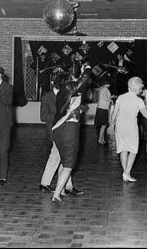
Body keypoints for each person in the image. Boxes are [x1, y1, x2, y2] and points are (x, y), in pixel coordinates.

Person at [108, 77, 147, 183]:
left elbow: (114, 113)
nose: (141, 90)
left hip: (120, 127)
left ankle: (125, 172)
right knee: (133, 150)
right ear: (136, 87)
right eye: (140, 88)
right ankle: (127, 173)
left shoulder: (121, 97)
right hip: (131, 127)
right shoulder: (138, 100)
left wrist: (111, 125)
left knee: (123, 149)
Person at [39, 72, 84, 196]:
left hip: (64, 129)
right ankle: (47, 184)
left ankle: (63, 186)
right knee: (58, 158)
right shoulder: (47, 96)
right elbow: (43, 116)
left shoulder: (66, 94)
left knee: (64, 159)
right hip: (56, 129)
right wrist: (62, 115)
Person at [51, 71, 90, 204]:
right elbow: (84, 80)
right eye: (73, 78)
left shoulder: (62, 92)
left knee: (64, 161)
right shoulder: (69, 87)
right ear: (68, 81)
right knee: (69, 164)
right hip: (69, 128)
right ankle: (56, 195)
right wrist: (88, 68)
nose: (76, 78)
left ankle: (61, 191)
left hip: (58, 128)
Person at [94, 77, 112, 145]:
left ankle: (102, 139)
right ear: (107, 83)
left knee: (103, 125)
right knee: (104, 125)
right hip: (103, 108)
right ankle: (100, 139)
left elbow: (103, 96)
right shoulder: (105, 88)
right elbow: (104, 97)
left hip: (100, 108)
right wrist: (110, 99)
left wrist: (110, 98)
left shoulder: (101, 88)